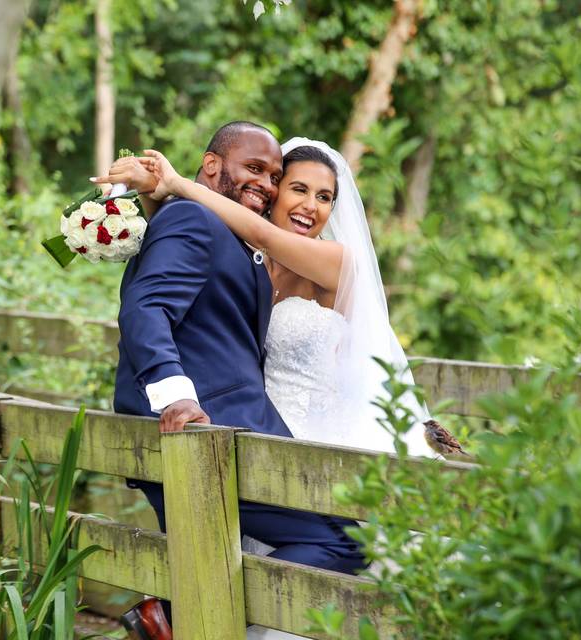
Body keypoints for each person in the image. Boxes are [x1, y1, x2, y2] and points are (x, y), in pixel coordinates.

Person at [104, 122, 367, 638]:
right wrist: (175, 396)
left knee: (220, 555)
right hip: (206, 428)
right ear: (210, 165)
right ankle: (173, 615)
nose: (267, 184)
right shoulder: (194, 219)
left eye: (274, 175)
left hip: (239, 430)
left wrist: (164, 190)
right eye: (257, 170)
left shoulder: (244, 241)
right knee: (346, 544)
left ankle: (172, 615)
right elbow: (147, 306)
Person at [134, 138, 433, 457]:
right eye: (299, 189)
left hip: (321, 433)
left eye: (324, 197)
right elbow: (186, 248)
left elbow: (264, 235)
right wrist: (152, 196)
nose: (311, 205)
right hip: (251, 420)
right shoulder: (248, 256)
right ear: (274, 193)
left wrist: (177, 183)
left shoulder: (338, 261)